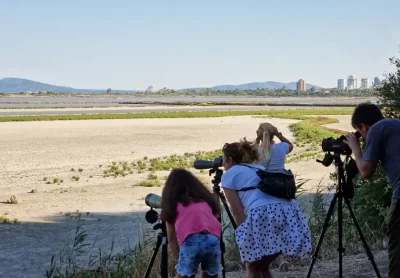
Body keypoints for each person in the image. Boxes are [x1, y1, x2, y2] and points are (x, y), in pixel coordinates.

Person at [221, 140, 312, 278]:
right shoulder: (259, 168)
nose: (222, 164)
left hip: (265, 214)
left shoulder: (229, 174)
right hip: (288, 211)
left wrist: (244, 237)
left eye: (223, 161)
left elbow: (237, 212)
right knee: (262, 266)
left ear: (230, 160)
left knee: (252, 266)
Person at [343, 103, 400, 278]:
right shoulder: (395, 124)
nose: (362, 137)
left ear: (363, 126)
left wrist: (356, 149)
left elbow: (366, 171)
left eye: (359, 133)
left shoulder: (376, 129)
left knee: (398, 249)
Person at [161, 168, 223, 278]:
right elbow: (215, 221)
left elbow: (171, 237)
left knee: (185, 275)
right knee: (210, 274)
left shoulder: (172, 204)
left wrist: (179, 261)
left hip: (191, 242)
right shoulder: (206, 200)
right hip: (212, 239)